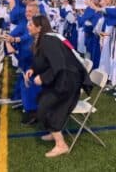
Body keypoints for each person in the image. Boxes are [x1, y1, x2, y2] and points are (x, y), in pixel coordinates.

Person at [24, 15, 91, 158]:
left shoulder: (48, 40)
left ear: (39, 28)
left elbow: (59, 64)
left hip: (68, 81)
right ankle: (54, 132)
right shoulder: (45, 39)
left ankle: (61, 145)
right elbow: (44, 61)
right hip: (63, 78)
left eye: (30, 24)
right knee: (42, 99)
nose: (27, 27)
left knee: (45, 106)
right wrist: (33, 70)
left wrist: (43, 77)